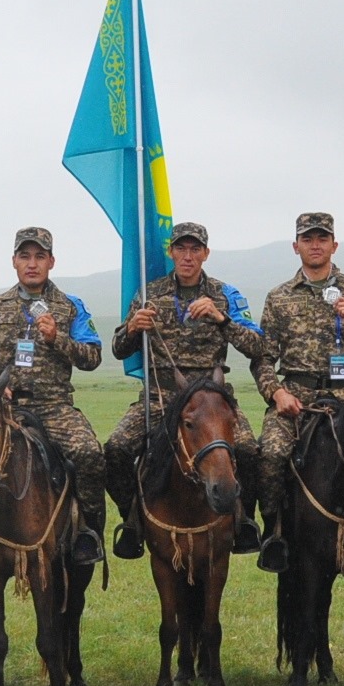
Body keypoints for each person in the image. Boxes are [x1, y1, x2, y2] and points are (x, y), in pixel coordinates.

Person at [105, 222, 266, 558]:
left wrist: (222, 319)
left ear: (206, 254)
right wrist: (133, 328)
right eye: (181, 248)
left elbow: (257, 346)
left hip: (210, 401)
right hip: (160, 396)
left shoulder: (226, 295)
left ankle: (244, 520)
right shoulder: (149, 295)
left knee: (250, 451)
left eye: (195, 249)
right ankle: (133, 520)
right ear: (171, 252)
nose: (188, 256)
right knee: (117, 449)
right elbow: (119, 348)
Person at [254, 212, 344, 572]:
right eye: (308, 239)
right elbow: (261, 360)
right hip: (296, 397)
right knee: (271, 455)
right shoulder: (278, 297)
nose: (315, 245)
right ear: (296, 246)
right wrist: (276, 394)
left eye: (322, 238)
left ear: (334, 245)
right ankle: (274, 531)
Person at [0, 227, 107, 565]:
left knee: (89, 453)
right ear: (14, 261)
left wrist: (58, 338)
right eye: (25, 256)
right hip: (5, 409)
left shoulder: (70, 307)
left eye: (39, 256)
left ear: (51, 262)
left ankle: (89, 532)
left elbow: (93, 357)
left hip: (54, 407)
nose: (32, 263)